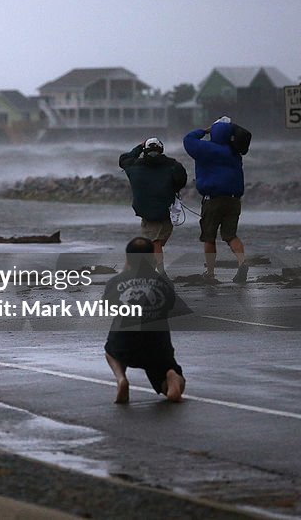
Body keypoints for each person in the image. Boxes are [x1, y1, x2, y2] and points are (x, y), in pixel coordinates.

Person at [103, 237, 186, 404]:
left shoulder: (116, 281)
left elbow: (108, 307)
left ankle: (121, 379)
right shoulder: (164, 282)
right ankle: (171, 377)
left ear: (127, 259)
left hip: (125, 346)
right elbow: (171, 307)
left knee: (109, 350)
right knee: (167, 374)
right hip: (158, 348)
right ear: (153, 258)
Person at [183, 116, 249, 284]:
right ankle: (242, 262)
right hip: (233, 200)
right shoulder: (234, 152)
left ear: (214, 132)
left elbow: (188, 139)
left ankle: (210, 273)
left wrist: (203, 131)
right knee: (230, 235)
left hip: (212, 200)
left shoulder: (204, 148)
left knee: (209, 236)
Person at [118, 137, 187, 276]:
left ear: (145, 151)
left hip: (147, 212)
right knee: (157, 243)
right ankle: (155, 270)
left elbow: (123, 159)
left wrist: (139, 146)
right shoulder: (173, 165)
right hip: (167, 210)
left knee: (154, 243)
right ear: (161, 149)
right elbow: (181, 180)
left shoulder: (134, 165)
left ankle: (158, 272)